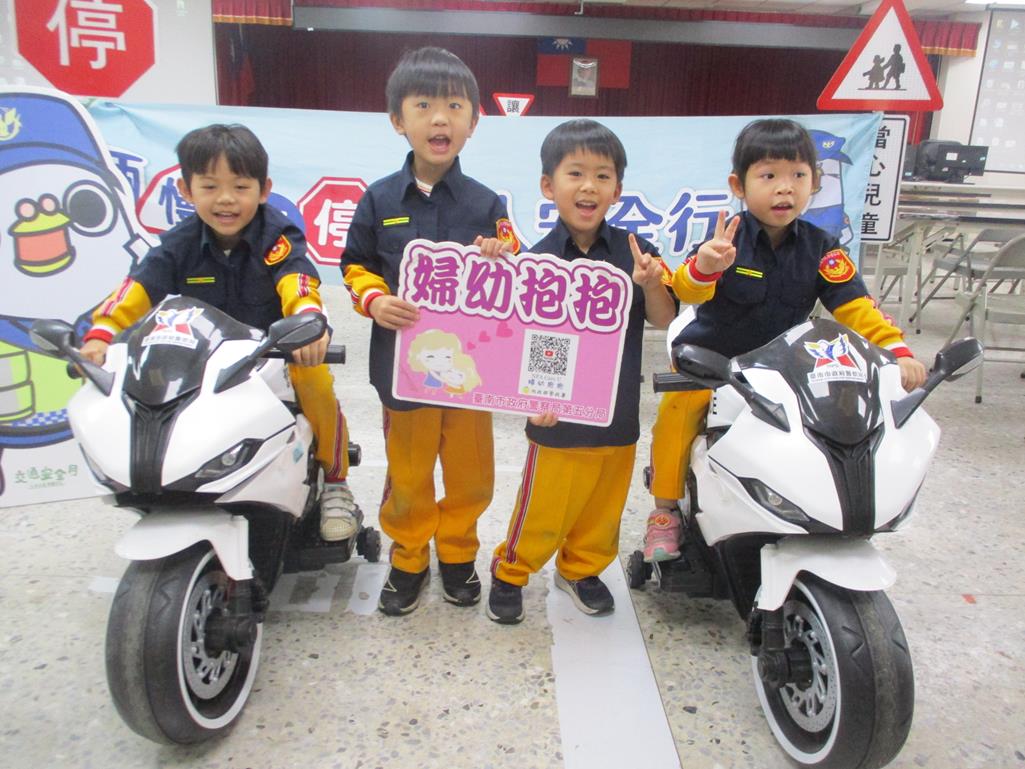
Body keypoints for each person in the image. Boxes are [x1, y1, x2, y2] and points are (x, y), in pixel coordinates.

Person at [642, 118, 928, 562]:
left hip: (786, 370)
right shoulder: (726, 239)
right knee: (676, 414)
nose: (784, 188)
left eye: (798, 175)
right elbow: (686, 293)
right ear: (739, 185)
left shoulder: (822, 247)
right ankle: (664, 512)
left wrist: (897, 352)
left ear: (814, 182)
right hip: (714, 365)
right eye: (769, 175)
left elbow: (856, 307)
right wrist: (706, 267)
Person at [79, 124, 360, 541]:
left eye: (240, 187)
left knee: (315, 382)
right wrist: (102, 333)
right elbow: (137, 288)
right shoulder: (178, 243)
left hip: (270, 355)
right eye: (210, 186)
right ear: (186, 190)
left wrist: (308, 325)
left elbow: (298, 284)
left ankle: (336, 482)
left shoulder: (277, 237)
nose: (226, 199)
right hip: (200, 359)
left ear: (263, 190)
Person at [340, 47, 519, 616]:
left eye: (454, 107)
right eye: (423, 106)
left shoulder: (487, 202)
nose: (440, 119)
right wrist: (374, 300)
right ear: (399, 120)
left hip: (472, 373)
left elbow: (517, 265)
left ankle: (459, 554)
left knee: (471, 475)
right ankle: (410, 557)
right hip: (403, 370)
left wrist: (502, 255)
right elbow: (355, 264)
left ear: (473, 122)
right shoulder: (378, 199)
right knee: (409, 472)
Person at [487, 119, 676, 624]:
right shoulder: (535, 261)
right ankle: (511, 572)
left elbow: (664, 319)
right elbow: (517, 344)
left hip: (617, 413)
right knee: (543, 507)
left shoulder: (638, 252)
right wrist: (530, 402)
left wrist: (650, 283)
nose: (589, 186)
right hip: (555, 417)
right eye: (575, 173)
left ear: (617, 189)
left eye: (603, 175)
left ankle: (581, 570)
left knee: (602, 508)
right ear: (548, 186)